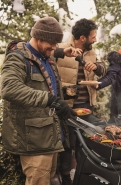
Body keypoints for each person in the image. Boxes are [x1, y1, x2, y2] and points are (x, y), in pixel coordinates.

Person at [1, 17, 79, 185]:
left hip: (49, 137)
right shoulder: (18, 58)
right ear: (38, 37)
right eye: (51, 43)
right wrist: (49, 99)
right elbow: (8, 88)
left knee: (47, 179)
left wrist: (63, 102)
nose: (54, 47)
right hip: (32, 140)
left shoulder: (48, 58)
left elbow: (49, 89)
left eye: (56, 44)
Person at [56, 18, 106, 185]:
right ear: (82, 38)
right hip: (68, 106)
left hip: (86, 106)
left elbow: (103, 70)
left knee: (84, 142)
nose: (95, 39)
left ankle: (81, 174)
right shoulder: (61, 50)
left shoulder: (91, 52)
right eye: (93, 36)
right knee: (67, 143)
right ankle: (65, 177)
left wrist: (97, 68)